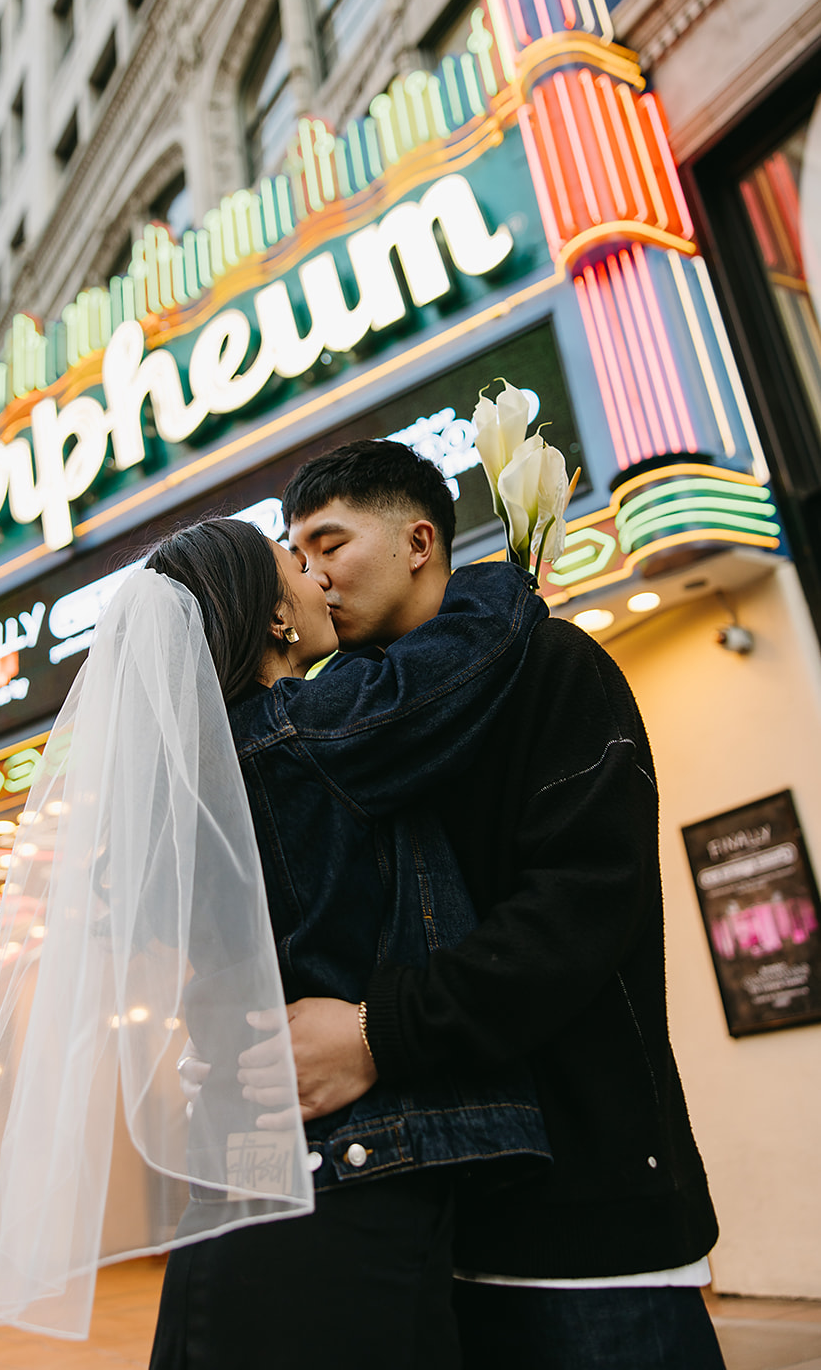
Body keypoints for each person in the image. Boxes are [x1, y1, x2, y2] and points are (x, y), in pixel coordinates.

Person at [238, 437, 724, 1370]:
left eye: (328, 542)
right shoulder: (348, 720)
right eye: (296, 556)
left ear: (419, 541)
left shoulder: (551, 665)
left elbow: (581, 911)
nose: (311, 574)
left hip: (586, 1212)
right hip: (426, 1213)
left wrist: (382, 1031)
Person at [145, 517, 551, 1370]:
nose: (317, 575)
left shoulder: (203, 767)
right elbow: (473, 651)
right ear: (275, 619)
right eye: (294, 562)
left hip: (250, 1191)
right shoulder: (297, 732)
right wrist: (488, 571)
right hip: (331, 1192)